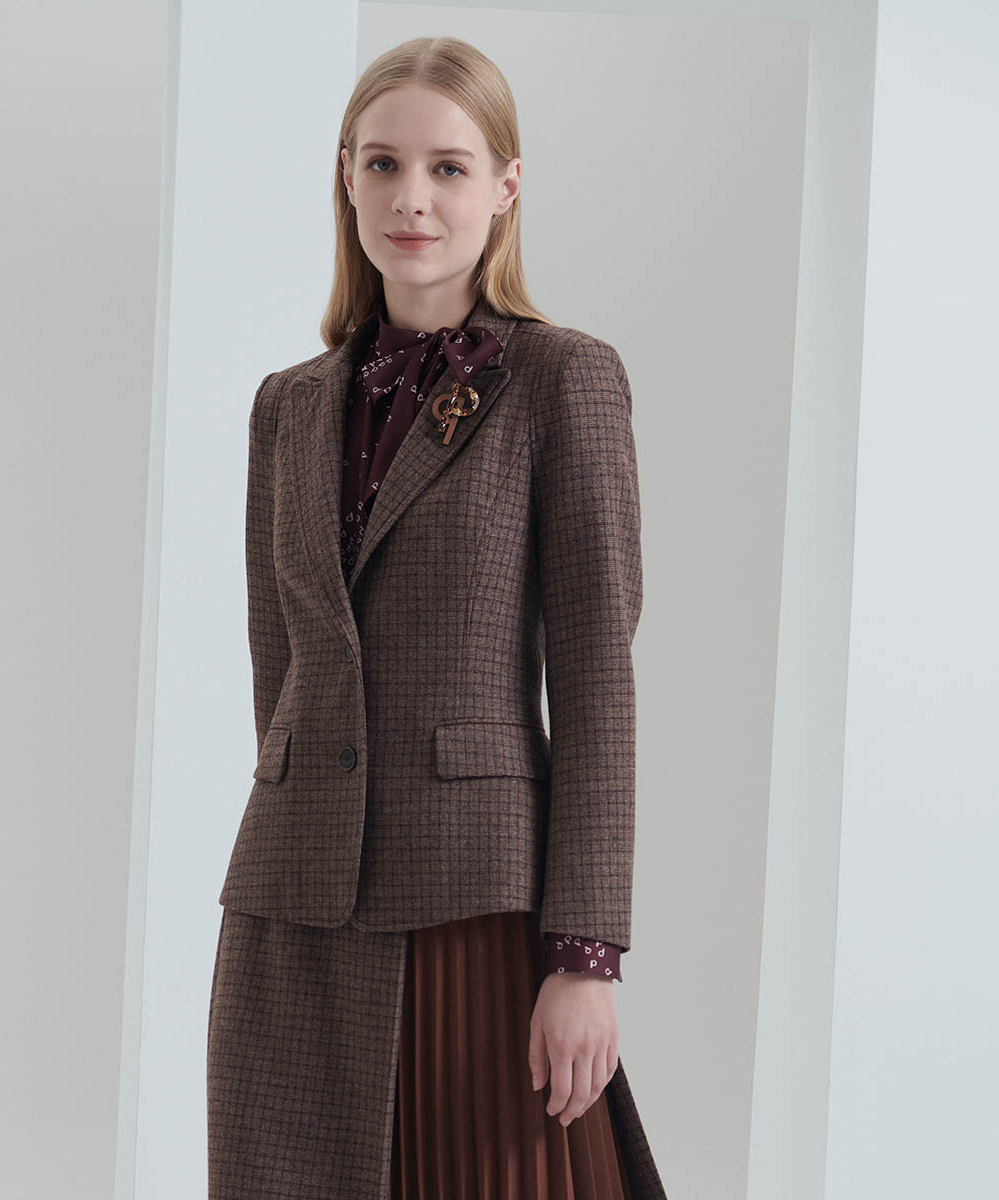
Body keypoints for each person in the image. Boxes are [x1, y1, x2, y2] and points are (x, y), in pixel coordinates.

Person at [207, 35, 666, 1200]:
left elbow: (598, 682)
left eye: (448, 168)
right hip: (293, 903)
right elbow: (282, 668)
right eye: (383, 164)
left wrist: (586, 955)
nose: (411, 197)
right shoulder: (287, 408)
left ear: (506, 187)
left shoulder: (561, 380)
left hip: (475, 900)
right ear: (347, 178)